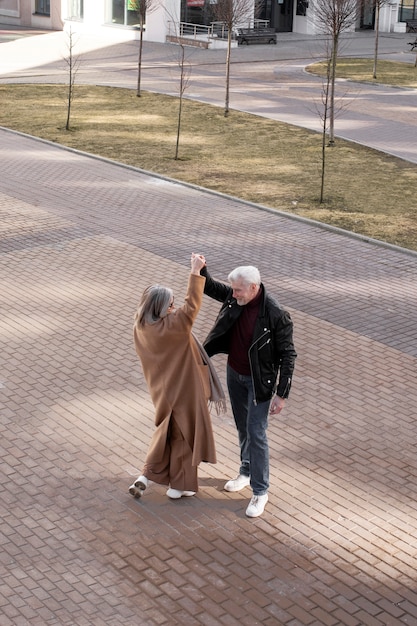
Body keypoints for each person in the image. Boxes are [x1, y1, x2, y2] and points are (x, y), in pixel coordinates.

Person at [200, 261, 297, 518]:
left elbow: (288, 355)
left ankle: (260, 491)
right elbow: (210, 287)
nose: (232, 294)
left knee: (256, 433)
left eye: (238, 290)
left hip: (259, 383)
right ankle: (245, 470)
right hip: (235, 375)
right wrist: (200, 269)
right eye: (232, 289)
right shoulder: (236, 299)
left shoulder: (276, 314)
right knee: (243, 427)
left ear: (253, 288)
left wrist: (282, 393)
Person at [129, 253, 223, 500]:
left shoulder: (141, 328)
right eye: (170, 305)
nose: (174, 308)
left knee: (167, 432)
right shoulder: (175, 326)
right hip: (185, 390)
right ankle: (181, 485)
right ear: (161, 308)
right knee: (185, 437)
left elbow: (186, 307)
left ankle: (147, 475)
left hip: (161, 391)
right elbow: (192, 304)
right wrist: (195, 271)